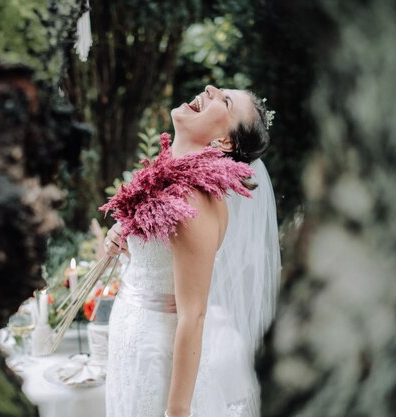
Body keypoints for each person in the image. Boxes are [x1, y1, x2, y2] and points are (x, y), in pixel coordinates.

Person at [103, 85, 281, 417]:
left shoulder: (194, 199)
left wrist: (177, 411)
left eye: (224, 101)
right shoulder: (166, 177)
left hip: (158, 359)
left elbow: (193, 315)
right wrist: (121, 236)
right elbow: (157, 260)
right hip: (129, 339)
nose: (210, 88)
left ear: (225, 142)